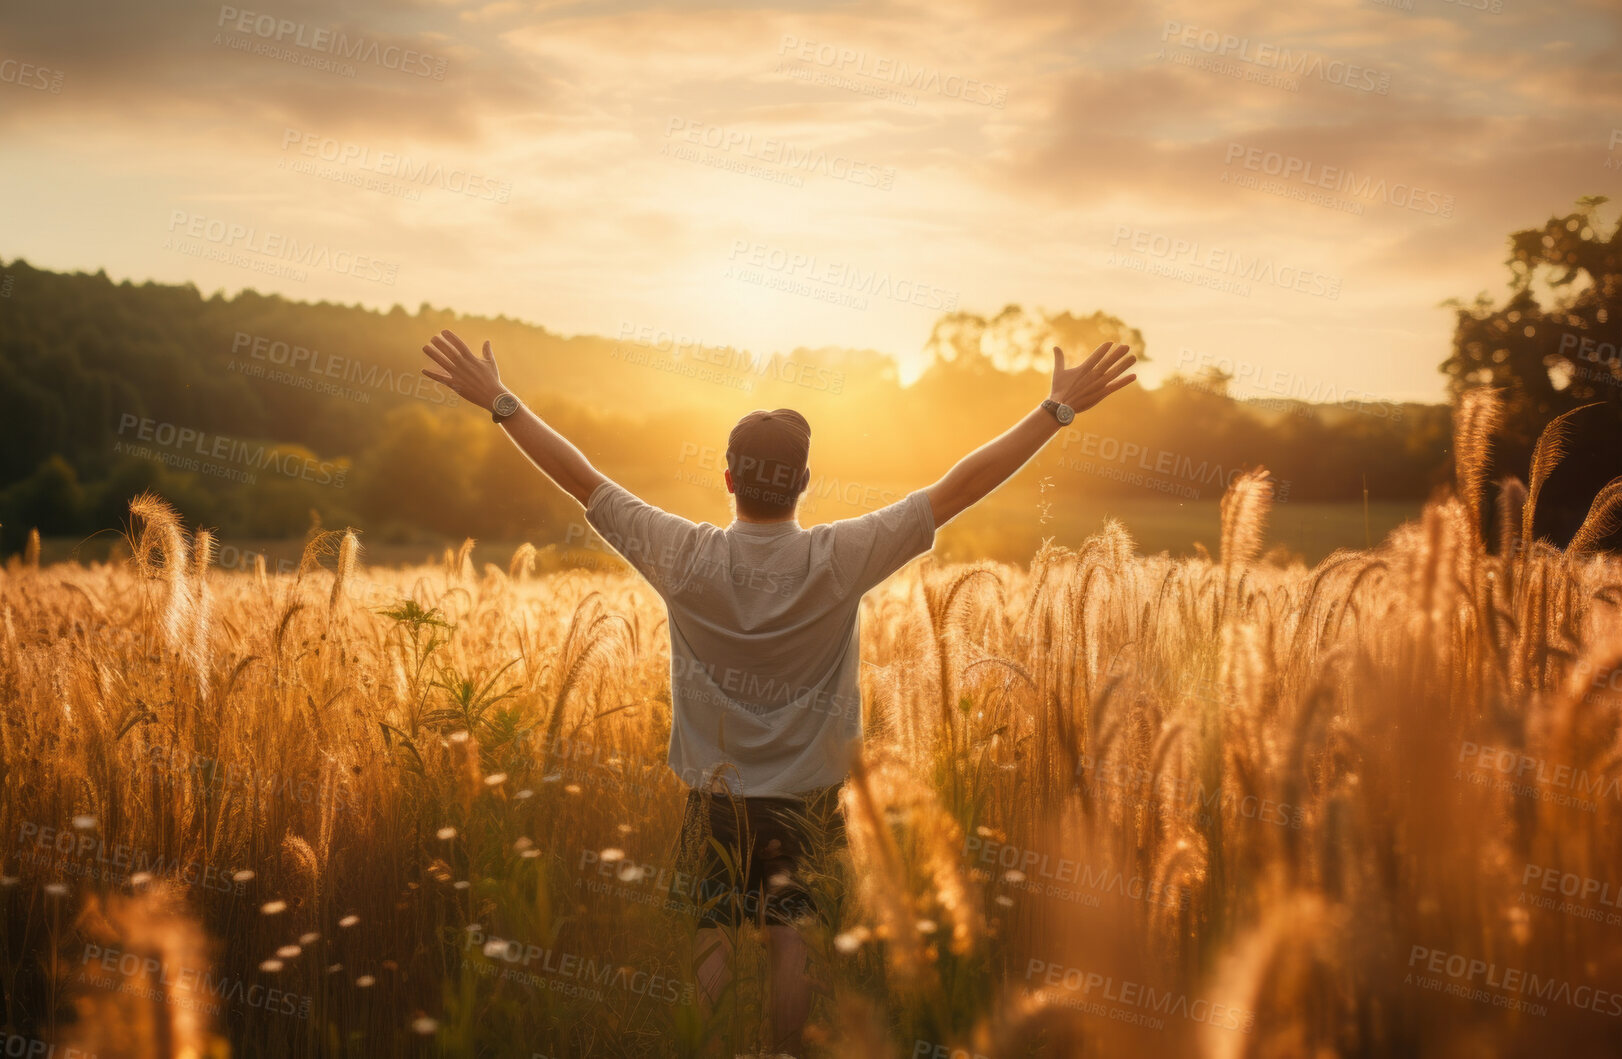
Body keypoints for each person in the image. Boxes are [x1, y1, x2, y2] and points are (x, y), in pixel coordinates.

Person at [418, 329, 1136, 1056]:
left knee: (711, 933)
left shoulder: (683, 553)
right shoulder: (841, 555)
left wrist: (501, 402)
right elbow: (959, 487)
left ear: (728, 478)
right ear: (803, 482)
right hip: (807, 797)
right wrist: (1054, 409)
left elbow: (581, 477)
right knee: (794, 936)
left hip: (713, 794)